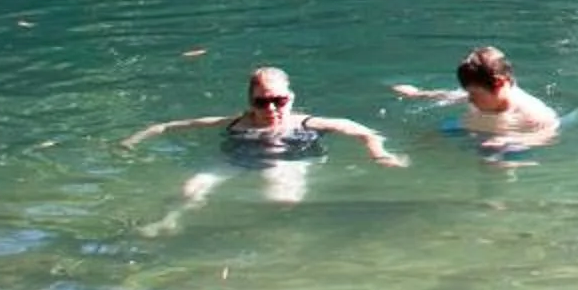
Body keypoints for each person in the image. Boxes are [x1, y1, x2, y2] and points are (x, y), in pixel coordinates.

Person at [121, 66, 407, 230]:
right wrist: (131, 141)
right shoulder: (236, 123)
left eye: (278, 101)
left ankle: (281, 238)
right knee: (190, 187)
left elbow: (360, 130)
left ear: (290, 98)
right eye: (261, 102)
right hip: (238, 160)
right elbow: (168, 126)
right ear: (250, 102)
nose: (270, 108)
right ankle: (170, 220)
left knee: (281, 200)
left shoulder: (305, 123)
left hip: (288, 161)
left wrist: (379, 153)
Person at [393, 45, 561, 155]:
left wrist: (511, 140)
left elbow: (549, 133)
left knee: (500, 162)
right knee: (429, 137)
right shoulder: (479, 95)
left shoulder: (532, 111)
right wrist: (419, 94)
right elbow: (453, 95)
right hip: (476, 131)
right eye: (469, 94)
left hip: (508, 140)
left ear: (501, 84)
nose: (470, 100)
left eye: (476, 95)